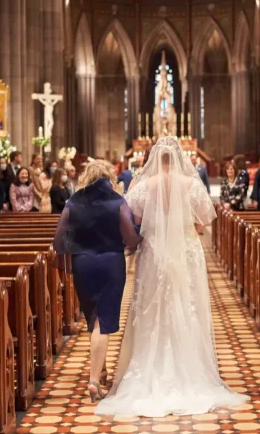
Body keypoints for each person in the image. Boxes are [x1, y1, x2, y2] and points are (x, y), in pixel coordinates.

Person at [95, 136, 248, 417]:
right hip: (185, 248)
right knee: (186, 303)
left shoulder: (144, 185)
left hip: (153, 250)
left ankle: (149, 368)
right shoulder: (191, 184)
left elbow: (132, 219)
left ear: (155, 158)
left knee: (152, 306)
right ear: (179, 157)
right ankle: (189, 369)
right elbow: (203, 220)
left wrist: (156, 222)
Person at [53, 159, 143, 403]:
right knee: (103, 321)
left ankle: (101, 370)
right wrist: (138, 235)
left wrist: (78, 248)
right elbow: (130, 236)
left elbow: (62, 239)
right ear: (108, 177)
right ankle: (93, 380)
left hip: (83, 263)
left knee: (93, 317)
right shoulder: (117, 201)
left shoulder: (74, 201)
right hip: (111, 263)